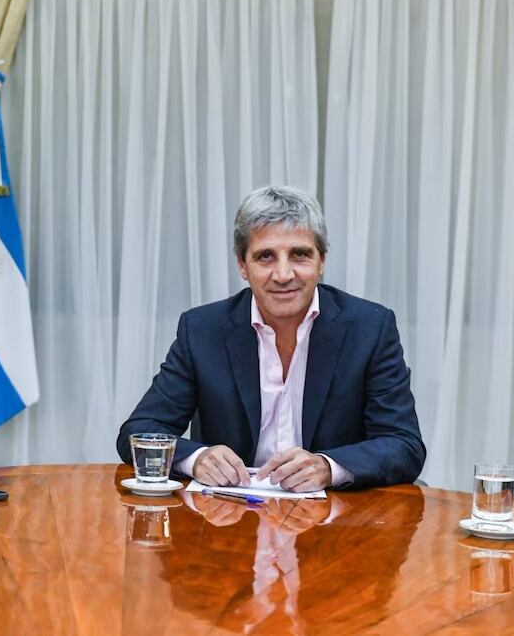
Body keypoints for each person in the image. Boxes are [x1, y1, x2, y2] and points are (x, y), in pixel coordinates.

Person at [117, 185, 426, 491]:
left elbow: (403, 444)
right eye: (265, 256)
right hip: (229, 520)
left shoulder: (369, 328)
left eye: (299, 255)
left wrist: (328, 467)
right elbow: (139, 432)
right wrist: (196, 458)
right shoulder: (202, 330)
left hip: (335, 522)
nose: (283, 274)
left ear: (321, 261)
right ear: (242, 264)